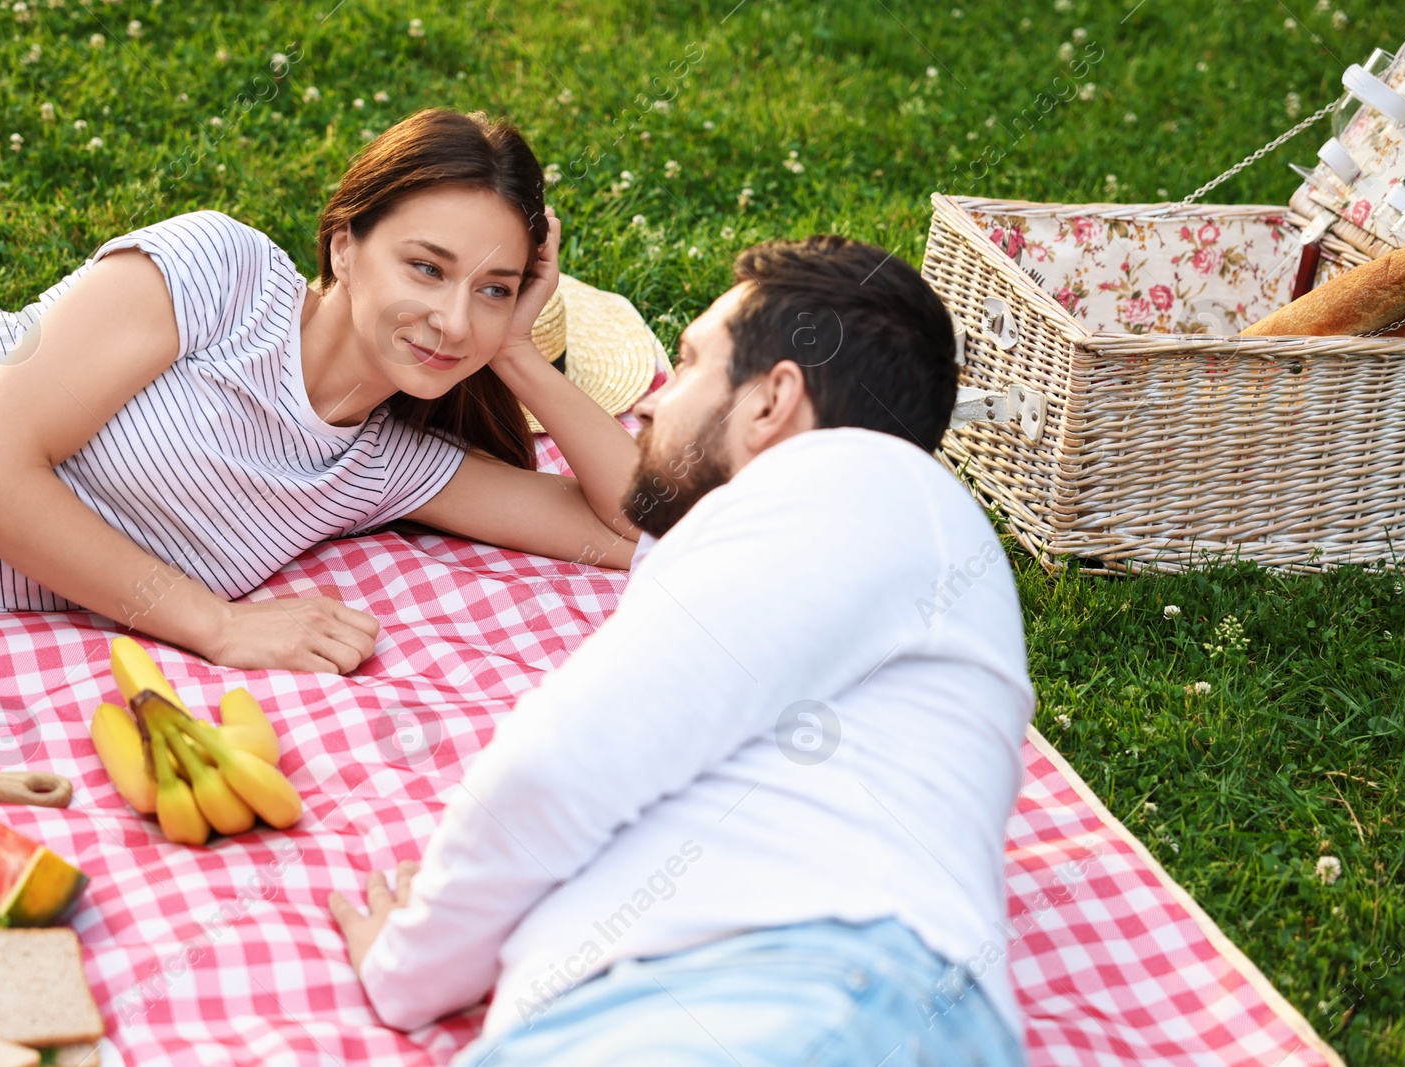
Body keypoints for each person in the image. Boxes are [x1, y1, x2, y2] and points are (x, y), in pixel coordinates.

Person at [330, 234, 1035, 1066]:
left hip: (783, 1000)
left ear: (773, 401)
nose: (652, 403)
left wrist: (410, 962)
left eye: (692, 360)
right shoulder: (830, 537)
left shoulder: (862, 480)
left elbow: (567, 761)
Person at [0, 109, 656, 673]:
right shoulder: (224, 273)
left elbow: (639, 531)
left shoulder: (391, 464)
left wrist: (516, 354)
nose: (451, 319)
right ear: (344, 248)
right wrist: (216, 625)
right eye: (426, 267)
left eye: (494, 287)